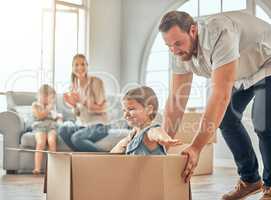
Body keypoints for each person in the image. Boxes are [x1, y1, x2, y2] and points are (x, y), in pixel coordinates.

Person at [159, 10, 271, 199]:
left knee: (263, 122)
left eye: (178, 43)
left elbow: (220, 96)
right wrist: (163, 143)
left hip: (267, 62)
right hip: (242, 71)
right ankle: (250, 180)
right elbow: (177, 100)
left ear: (193, 31)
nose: (174, 50)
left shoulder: (220, 32)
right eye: (169, 45)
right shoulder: (177, 51)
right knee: (226, 120)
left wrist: (195, 147)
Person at [110, 86, 182, 155]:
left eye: (131, 109)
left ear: (149, 110)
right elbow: (113, 152)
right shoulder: (132, 135)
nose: (125, 115)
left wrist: (164, 138)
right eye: (124, 110)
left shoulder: (148, 132)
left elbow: (155, 132)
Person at [59, 54, 109, 151]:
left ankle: (105, 159)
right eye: (76, 65)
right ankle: (82, 159)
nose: (80, 67)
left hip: (99, 125)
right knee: (63, 130)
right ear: (72, 67)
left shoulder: (96, 82)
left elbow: (101, 108)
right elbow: (78, 113)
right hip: (82, 125)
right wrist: (73, 105)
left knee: (76, 138)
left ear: (87, 66)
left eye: (83, 64)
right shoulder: (73, 87)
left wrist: (81, 100)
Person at [32, 84, 62, 175]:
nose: (49, 99)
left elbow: (56, 117)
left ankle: (53, 168)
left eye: (51, 97)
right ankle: (37, 168)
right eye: (47, 96)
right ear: (40, 96)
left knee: (52, 141)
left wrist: (60, 119)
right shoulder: (35, 105)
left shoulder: (53, 107)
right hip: (40, 126)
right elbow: (40, 116)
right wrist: (48, 109)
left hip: (51, 127)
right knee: (40, 143)